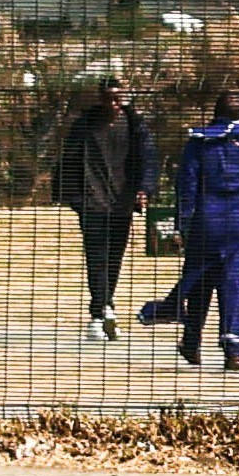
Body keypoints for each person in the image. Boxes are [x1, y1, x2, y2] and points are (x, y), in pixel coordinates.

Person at [157, 83, 239, 371]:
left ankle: (192, 343)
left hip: (206, 218)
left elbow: (187, 185)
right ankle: (235, 349)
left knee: (200, 281)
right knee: (235, 282)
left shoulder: (200, 141)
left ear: (214, 112)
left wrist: (183, 223)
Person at [51, 71, 154, 345]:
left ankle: (106, 306)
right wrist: (72, 196)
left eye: (120, 99)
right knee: (96, 256)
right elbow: (68, 158)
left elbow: (147, 159)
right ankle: (99, 313)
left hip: (122, 202)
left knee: (114, 257)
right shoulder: (84, 125)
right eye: (110, 99)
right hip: (91, 201)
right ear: (101, 98)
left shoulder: (135, 125)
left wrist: (144, 189)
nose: (114, 105)